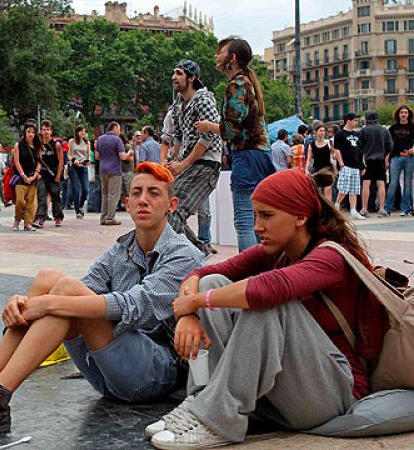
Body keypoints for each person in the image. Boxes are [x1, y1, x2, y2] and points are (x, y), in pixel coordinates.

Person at [0, 162, 204, 438]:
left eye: (154, 193)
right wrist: (25, 302)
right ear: (127, 202)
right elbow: (79, 290)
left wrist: (45, 304)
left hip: (155, 375)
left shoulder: (184, 254)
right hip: (107, 369)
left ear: (172, 204)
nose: (144, 200)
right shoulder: (122, 248)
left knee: (61, 294)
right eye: (137, 193)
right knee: (49, 279)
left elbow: (135, 306)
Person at [147, 168, 388, 449]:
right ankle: (202, 402)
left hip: (334, 392)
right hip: (287, 395)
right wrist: (188, 312)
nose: (257, 226)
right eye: (256, 215)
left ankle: (218, 420)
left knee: (270, 303)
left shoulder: (331, 256)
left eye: (267, 216)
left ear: (300, 216)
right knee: (213, 282)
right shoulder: (278, 250)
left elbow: (270, 289)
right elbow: (200, 274)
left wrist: (197, 302)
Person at [194, 38, 275, 253]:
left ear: (233, 58)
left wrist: (208, 126)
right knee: (258, 217)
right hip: (260, 155)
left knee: (244, 219)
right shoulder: (248, 83)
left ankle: (249, 272)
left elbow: (230, 130)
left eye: (220, 53)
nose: (216, 56)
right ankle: (261, 269)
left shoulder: (236, 85)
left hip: (247, 156)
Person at [167, 59, 223, 254]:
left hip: (206, 165)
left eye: (179, 73)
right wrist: (173, 161)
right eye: (174, 73)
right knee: (167, 211)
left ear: (192, 78)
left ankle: (183, 256)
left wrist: (182, 165)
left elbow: (208, 137)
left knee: (173, 213)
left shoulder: (203, 100)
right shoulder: (178, 104)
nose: (174, 77)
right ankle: (199, 251)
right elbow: (179, 137)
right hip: (189, 164)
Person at [358, 110, 393, 217]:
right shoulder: (384, 130)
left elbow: (360, 147)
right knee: (381, 184)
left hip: (367, 159)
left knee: (366, 184)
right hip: (380, 159)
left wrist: (362, 160)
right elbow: (390, 146)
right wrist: (386, 159)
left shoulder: (364, 130)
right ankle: (382, 209)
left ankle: (364, 208)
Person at [95, 121, 130, 225]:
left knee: (105, 194)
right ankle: (110, 217)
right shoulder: (117, 139)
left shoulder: (100, 139)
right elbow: (122, 156)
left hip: (103, 170)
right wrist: (129, 154)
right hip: (114, 170)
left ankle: (103, 217)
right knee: (113, 194)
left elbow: (97, 156)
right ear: (114, 128)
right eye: (119, 129)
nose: (119, 132)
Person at [33, 120, 64, 228]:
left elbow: (61, 161)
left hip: (54, 174)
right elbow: (38, 160)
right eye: (44, 129)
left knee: (55, 195)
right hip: (43, 175)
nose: (46, 132)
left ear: (51, 131)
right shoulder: (39, 145)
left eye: (48, 130)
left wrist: (58, 175)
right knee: (41, 195)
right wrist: (38, 172)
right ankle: (40, 217)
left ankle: (58, 216)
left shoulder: (56, 145)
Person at [333, 113, 365, 220]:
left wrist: (362, 165)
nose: (356, 122)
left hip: (356, 164)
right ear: (348, 120)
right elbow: (336, 149)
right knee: (343, 188)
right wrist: (341, 163)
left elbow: (360, 151)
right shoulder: (340, 134)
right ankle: (336, 205)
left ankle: (353, 210)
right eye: (355, 120)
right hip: (345, 164)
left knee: (354, 189)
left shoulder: (357, 134)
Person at [384, 105, 414, 216]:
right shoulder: (392, 128)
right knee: (393, 183)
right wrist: (386, 160)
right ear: (398, 114)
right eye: (401, 112)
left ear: (409, 114)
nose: (403, 114)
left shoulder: (413, 127)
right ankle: (387, 209)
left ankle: (405, 209)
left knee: (407, 184)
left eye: (405, 112)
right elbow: (388, 146)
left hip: (410, 158)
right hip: (395, 158)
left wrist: (413, 150)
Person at [12, 121, 42, 231]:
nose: (31, 134)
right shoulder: (18, 145)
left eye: (33, 132)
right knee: (20, 201)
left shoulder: (37, 146)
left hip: (33, 176)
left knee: (31, 202)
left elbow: (39, 162)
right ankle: (17, 220)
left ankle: (28, 223)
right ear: (24, 132)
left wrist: (35, 175)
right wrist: (23, 175)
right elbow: (17, 161)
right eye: (29, 132)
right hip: (20, 177)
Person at [67, 125, 91, 219]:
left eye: (84, 132)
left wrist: (88, 161)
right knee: (76, 189)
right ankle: (78, 210)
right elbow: (68, 155)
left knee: (86, 189)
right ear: (77, 132)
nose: (83, 134)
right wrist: (73, 160)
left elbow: (88, 155)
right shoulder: (71, 142)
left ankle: (81, 205)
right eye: (81, 132)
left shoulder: (87, 142)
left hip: (83, 166)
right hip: (73, 166)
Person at [307, 124, 336, 199]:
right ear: (316, 132)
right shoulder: (312, 145)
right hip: (317, 169)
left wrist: (335, 163)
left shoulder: (329, 143)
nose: (322, 132)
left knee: (328, 190)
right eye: (320, 130)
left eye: (323, 130)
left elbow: (334, 154)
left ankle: (329, 207)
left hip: (328, 169)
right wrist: (306, 169)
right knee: (318, 191)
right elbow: (309, 159)